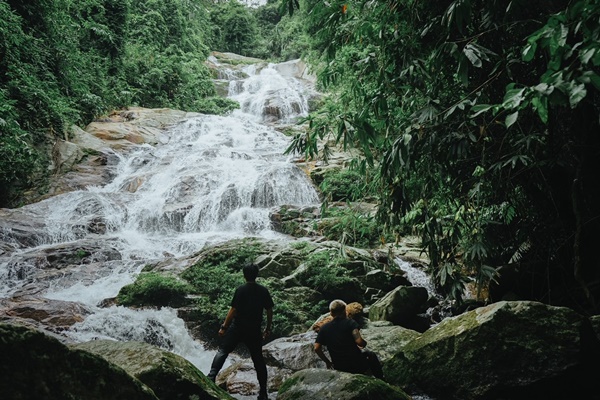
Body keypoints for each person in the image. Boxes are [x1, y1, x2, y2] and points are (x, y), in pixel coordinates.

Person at [207, 262, 274, 400]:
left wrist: (224, 327)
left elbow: (233, 310)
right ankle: (263, 392)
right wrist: (267, 328)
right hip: (254, 330)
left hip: (238, 328)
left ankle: (211, 376)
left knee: (223, 351)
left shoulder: (241, 289)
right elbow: (269, 310)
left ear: (244, 275)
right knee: (258, 360)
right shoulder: (263, 290)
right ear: (256, 275)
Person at [314, 299, 383, 379]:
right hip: (356, 365)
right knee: (371, 355)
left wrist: (328, 362)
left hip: (340, 367)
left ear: (331, 313)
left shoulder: (324, 328)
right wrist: (364, 343)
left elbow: (316, 348)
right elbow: (359, 342)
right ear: (344, 311)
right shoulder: (350, 323)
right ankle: (381, 378)